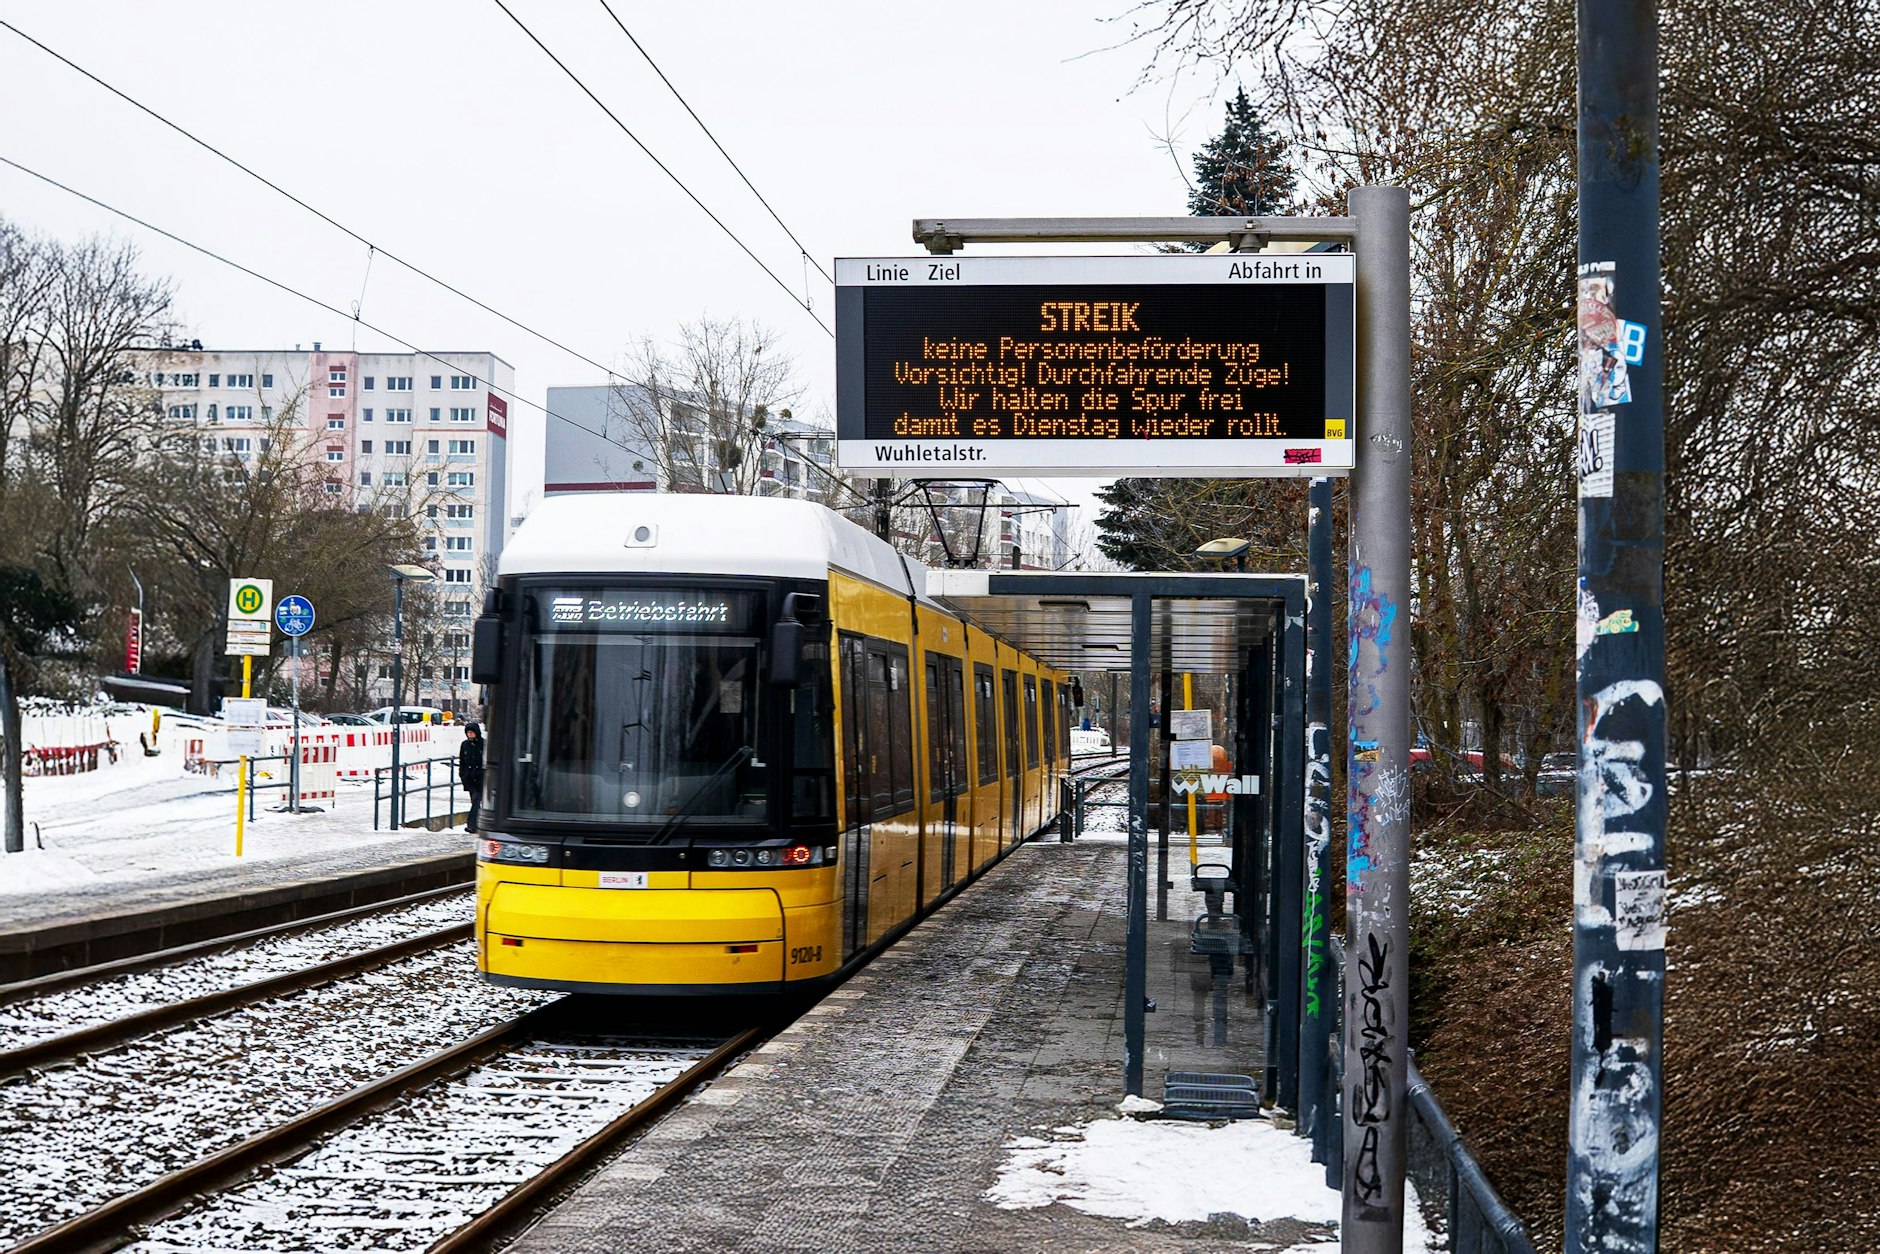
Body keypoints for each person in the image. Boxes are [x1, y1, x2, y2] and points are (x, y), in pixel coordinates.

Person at [459, 723, 486, 833]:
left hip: (480, 778)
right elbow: (462, 761)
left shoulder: (483, 744)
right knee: (474, 801)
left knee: (476, 800)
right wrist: (463, 774)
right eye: (468, 733)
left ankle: (471, 824)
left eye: (471, 732)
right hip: (469, 778)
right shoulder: (465, 745)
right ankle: (477, 823)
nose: (470, 735)